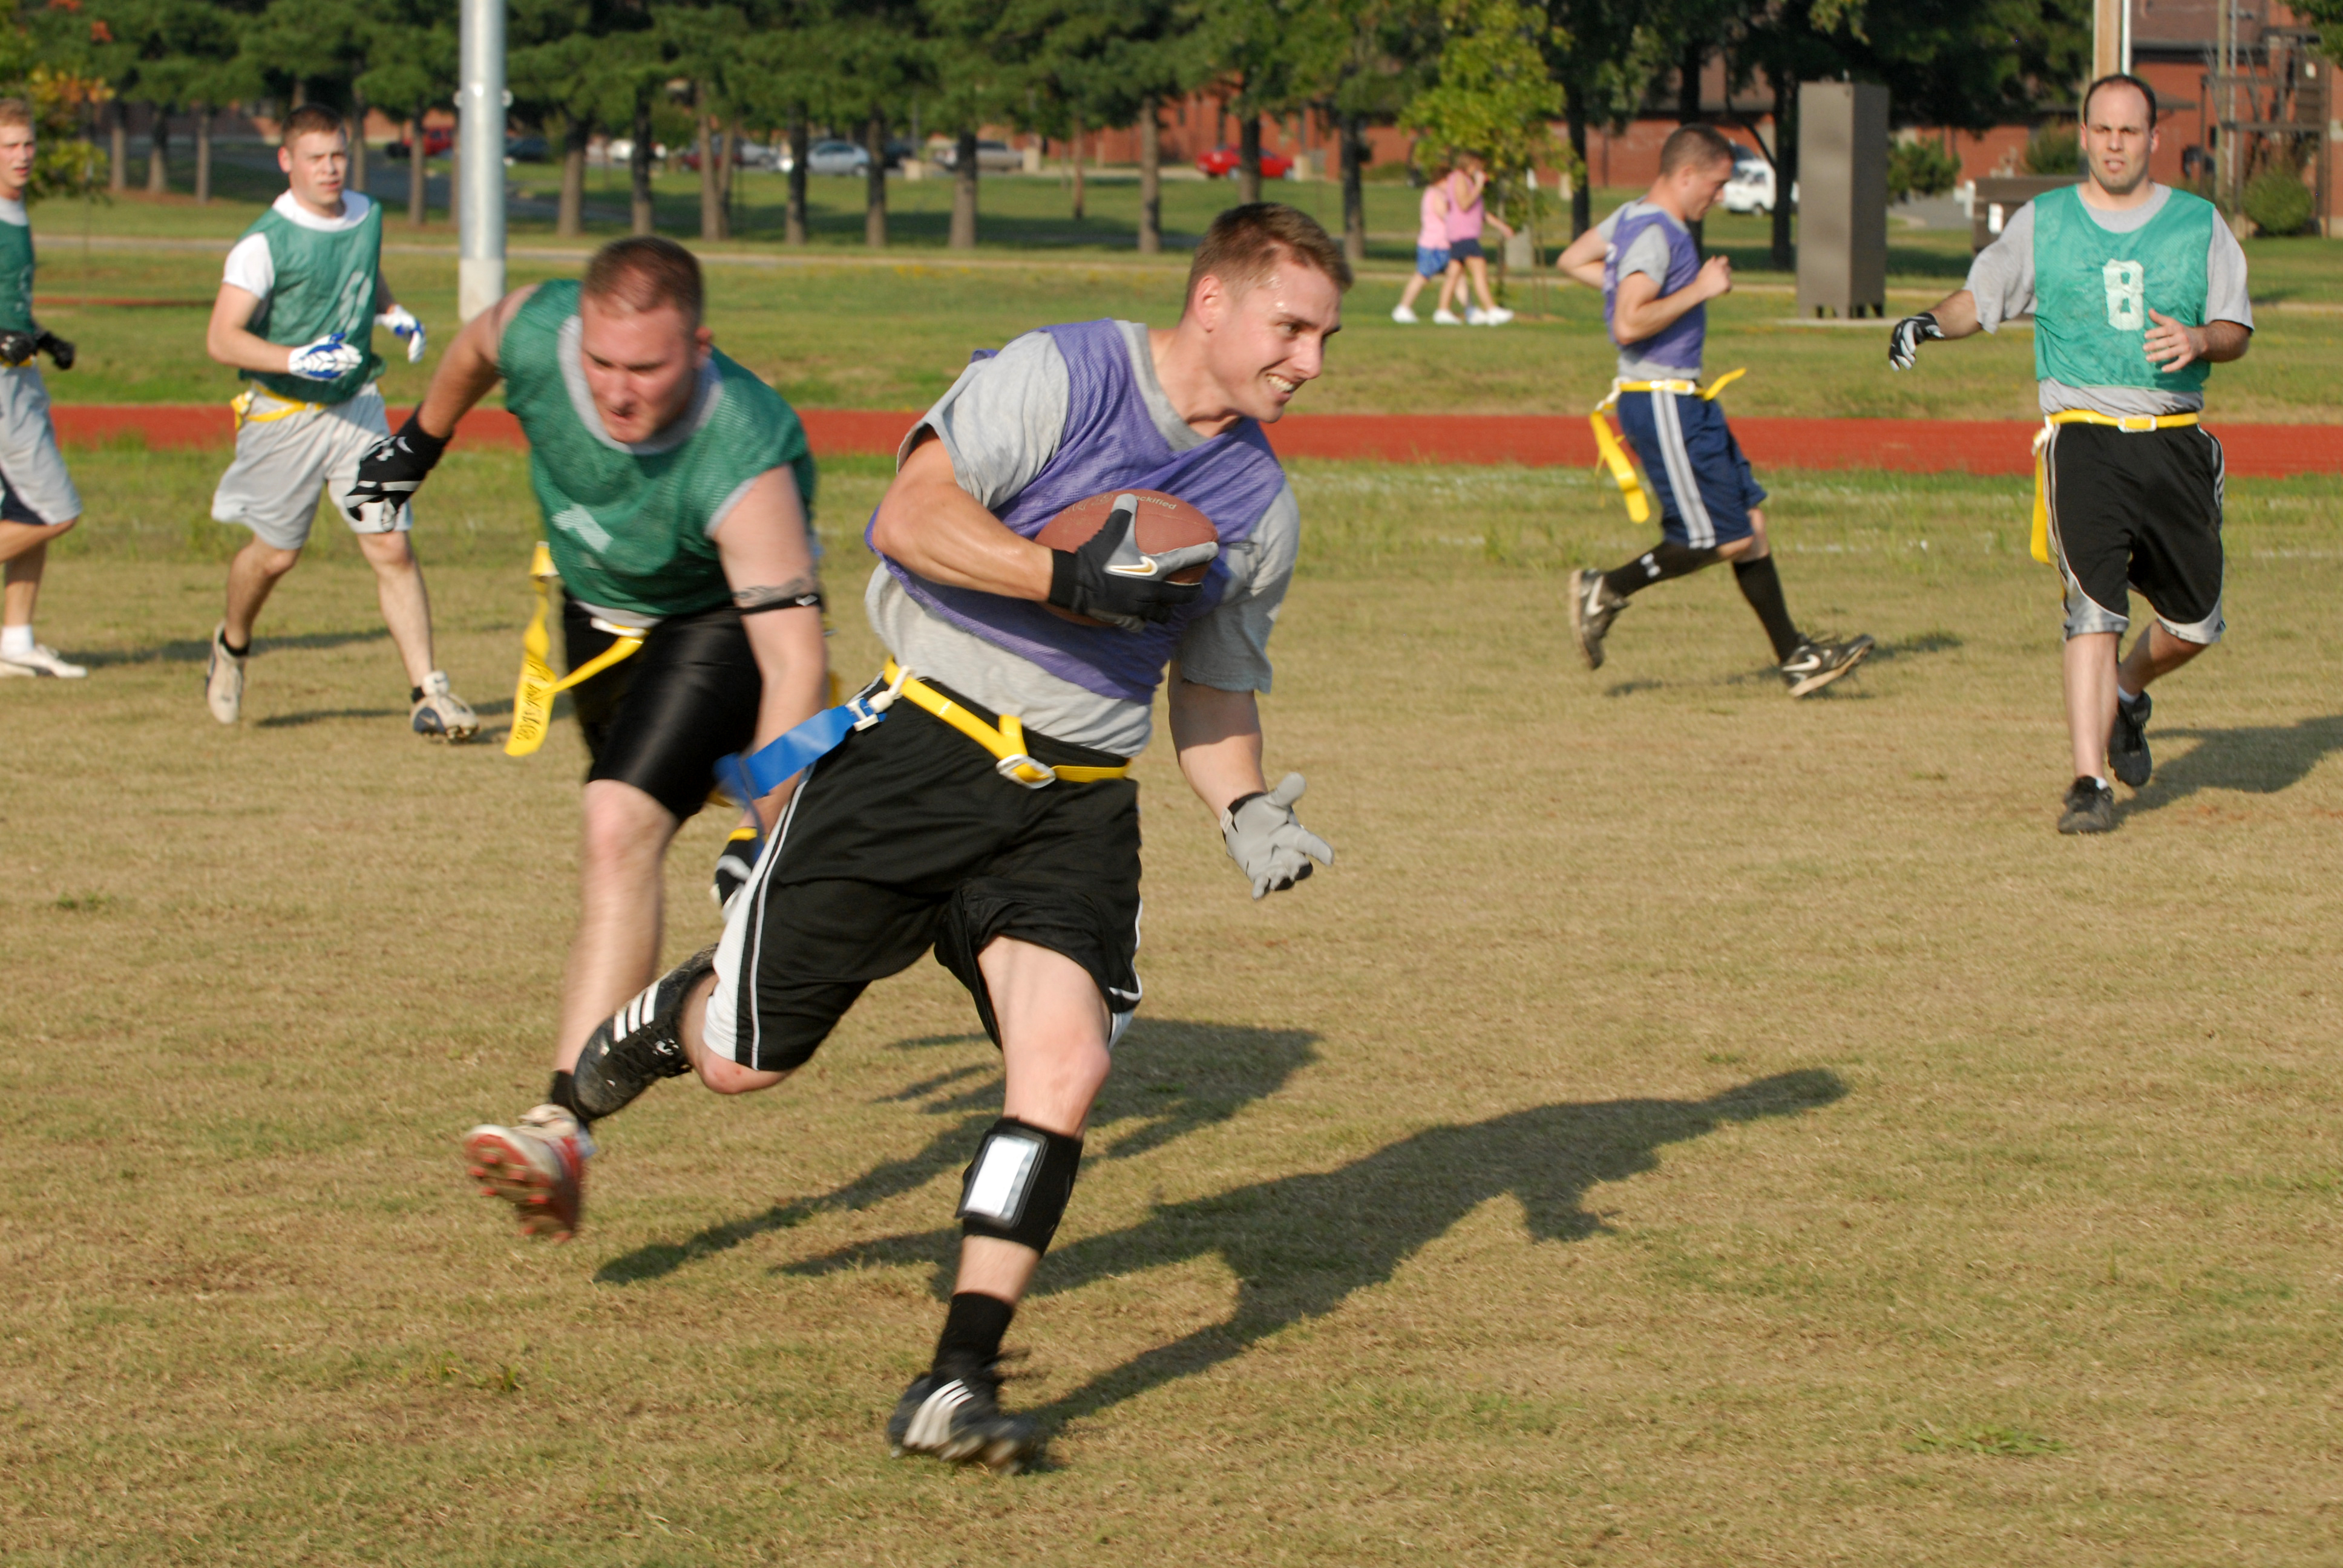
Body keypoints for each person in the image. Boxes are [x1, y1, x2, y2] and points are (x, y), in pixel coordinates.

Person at [457, 203, 1345, 1474]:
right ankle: (646, 1034)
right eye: (1291, 326)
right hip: (919, 751)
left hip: (1078, 797)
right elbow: (909, 518)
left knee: (1066, 1065)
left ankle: (955, 1379)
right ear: (1214, 301)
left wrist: (1243, 807)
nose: (1308, 360)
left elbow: (1206, 685)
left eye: (1323, 336)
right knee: (739, 1064)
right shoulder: (1063, 372)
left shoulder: (1259, 498)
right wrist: (1064, 580)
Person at [350, 234, 827, 1226]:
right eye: (602, 364)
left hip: (715, 622)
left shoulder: (745, 452)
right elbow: (476, 347)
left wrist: (769, 822)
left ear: (698, 347)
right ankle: (769, 787)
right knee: (644, 803)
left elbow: (794, 661)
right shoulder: (539, 333)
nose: (616, 391)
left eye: (646, 368)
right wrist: (418, 445)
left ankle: (560, 1123)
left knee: (618, 826)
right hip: (593, 617)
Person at [1890, 74, 2249, 834]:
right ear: (2082, 135)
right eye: (2101, 130)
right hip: (2081, 438)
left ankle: (2125, 691)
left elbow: (2234, 331)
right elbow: (1978, 301)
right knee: (2091, 610)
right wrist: (1925, 323)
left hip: (2174, 442)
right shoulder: (2043, 222)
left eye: (2129, 131)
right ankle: (2087, 782)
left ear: (2153, 139)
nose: (2114, 144)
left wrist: (2197, 339)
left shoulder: (2198, 223)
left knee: (2195, 625)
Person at [1553, 124, 1872, 696]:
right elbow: (1628, 323)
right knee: (1718, 538)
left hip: (1685, 400)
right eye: (1717, 184)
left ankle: (1796, 659)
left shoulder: (1630, 217)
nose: (1720, 197)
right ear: (1685, 175)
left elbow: (1573, 259)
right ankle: (1606, 588)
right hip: (1660, 401)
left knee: (1750, 526)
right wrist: (1697, 289)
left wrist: (1624, 285)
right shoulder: (1657, 231)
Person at [201, 103, 475, 738]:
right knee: (273, 558)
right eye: (316, 158)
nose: (330, 169)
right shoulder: (262, 243)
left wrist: (392, 311)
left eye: (338, 156)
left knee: (390, 545)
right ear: (286, 162)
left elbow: (359, 272)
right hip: (284, 416)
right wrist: (295, 358)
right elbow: (222, 338)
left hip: (357, 408)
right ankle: (232, 645)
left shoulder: (365, 214)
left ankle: (428, 693)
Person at [0, 99, 86, 679]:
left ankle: (15, 641)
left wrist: (41, 336)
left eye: (27, 143)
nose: (23, 155)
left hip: (21, 376)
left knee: (27, 510)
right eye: (9, 146)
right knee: (56, 510)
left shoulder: (16, 206)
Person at [1436, 152, 1515, 327]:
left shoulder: (1467, 181)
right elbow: (1464, 204)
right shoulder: (1459, 178)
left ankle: (1443, 310)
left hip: (1463, 234)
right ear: (1469, 164)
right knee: (1480, 270)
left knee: (1454, 274)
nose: (1480, 169)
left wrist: (1502, 226)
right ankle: (1492, 309)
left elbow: (1480, 212)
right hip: (1463, 234)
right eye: (1478, 165)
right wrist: (1479, 186)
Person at [1392, 167, 1450, 324]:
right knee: (1423, 275)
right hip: (1434, 244)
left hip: (1444, 244)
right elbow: (1443, 214)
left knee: (1456, 277)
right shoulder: (1435, 194)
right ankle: (1403, 307)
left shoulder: (1437, 194)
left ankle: (1468, 309)